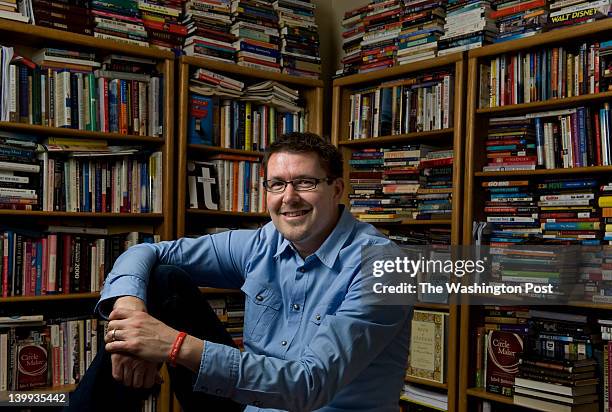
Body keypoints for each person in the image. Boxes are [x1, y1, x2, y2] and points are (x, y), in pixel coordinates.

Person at [68, 132, 410, 412]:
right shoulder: (263, 243)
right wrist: (131, 311)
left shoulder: (383, 268)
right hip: (252, 405)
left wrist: (172, 346)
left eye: (304, 182)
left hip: (309, 403)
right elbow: (147, 251)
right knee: (162, 281)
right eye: (276, 184)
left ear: (336, 189)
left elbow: (310, 385)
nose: (288, 198)